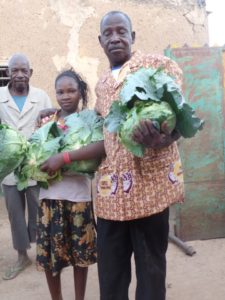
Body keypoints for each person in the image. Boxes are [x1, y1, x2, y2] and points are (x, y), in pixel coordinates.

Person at [40, 11, 184, 300]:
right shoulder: (103, 84)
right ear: (101, 40)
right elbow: (100, 132)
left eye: (122, 31)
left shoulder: (157, 66)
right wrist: (55, 118)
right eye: (109, 33)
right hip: (110, 199)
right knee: (111, 276)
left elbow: (179, 120)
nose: (115, 37)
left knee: (151, 274)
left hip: (150, 193)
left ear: (133, 36)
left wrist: (163, 139)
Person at [36, 69, 97, 300]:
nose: (65, 96)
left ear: (81, 92)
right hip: (49, 197)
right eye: (60, 91)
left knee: (81, 256)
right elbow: (35, 152)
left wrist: (64, 159)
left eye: (71, 90)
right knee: (52, 257)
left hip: (79, 197)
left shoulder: (89, 119)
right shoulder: (46, 120)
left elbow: (97, 152)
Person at [0, 53, 52, 280]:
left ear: (30, 73)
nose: (19, 74)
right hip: (10, 167)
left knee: (39, 209)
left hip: (34, 165)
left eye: (24, 70)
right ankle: (22, 255)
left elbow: (50, 129)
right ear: (8, 73)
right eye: (15, 70)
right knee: (14, 212)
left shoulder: (41, 97)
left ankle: (42, 251)